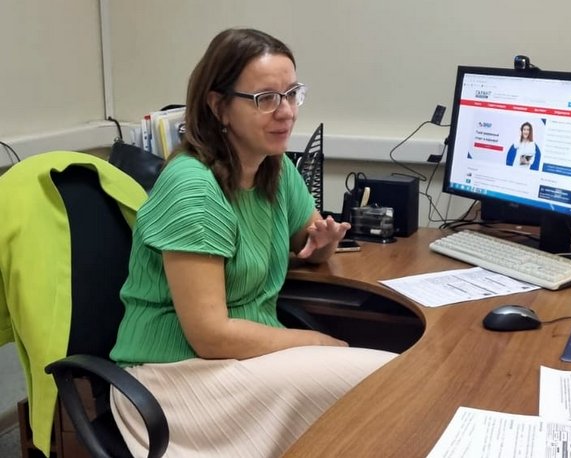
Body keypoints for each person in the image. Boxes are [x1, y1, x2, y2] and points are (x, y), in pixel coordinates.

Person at [109, 28, 397, 457]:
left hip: (244, 357)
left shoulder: (273, 168)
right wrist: (314, 341)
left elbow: (307, 238)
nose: (287, 112)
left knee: (389, 388)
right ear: (218, 106)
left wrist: (323, 243)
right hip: (175, 378)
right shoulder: (193, 187)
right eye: (266, 99)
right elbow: (210, 336)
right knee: (390, 384)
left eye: (292, 94)